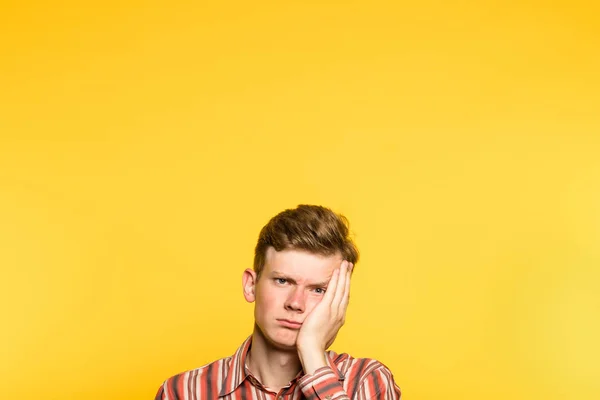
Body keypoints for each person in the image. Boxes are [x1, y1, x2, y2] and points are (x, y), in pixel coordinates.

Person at [155, 204, 401, 399]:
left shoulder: (367, 382)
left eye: (318, 289)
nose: (296, 303)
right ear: (251, 285)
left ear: (339, 300)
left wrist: (313, 355)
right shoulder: (183, 392)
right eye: (283, 281)